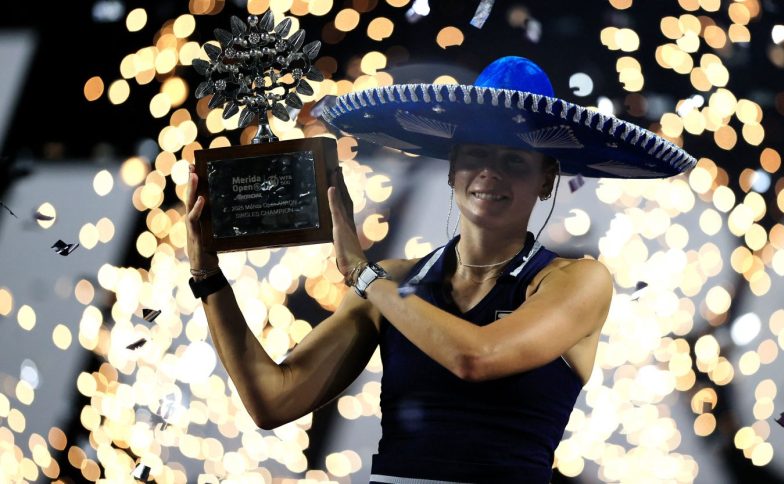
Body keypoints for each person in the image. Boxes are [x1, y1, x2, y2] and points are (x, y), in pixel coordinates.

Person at [184, 56, 695, 483]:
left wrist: (363, 276)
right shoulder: (391, 281)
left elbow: (476, 358)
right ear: (453, 169)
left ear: (546, 179)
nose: (490, 173)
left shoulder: (576, 281)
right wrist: (207, 275)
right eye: (476, 156)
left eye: (515, 161)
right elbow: (272, 400)